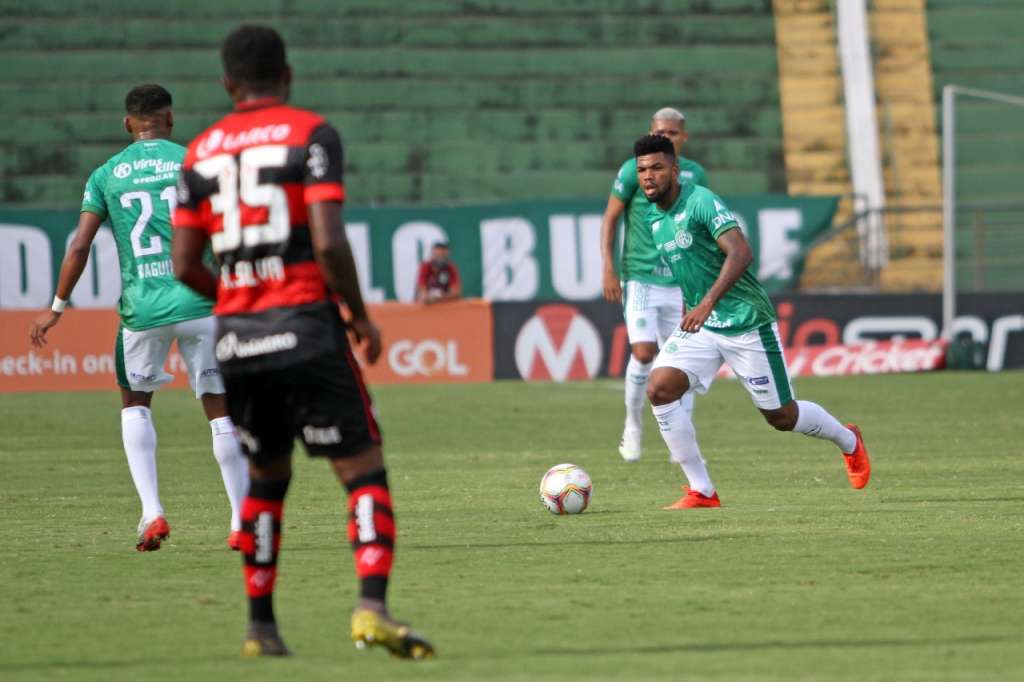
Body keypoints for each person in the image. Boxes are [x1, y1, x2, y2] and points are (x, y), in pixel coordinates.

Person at [171, 25, 434, 660]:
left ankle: (260, 628)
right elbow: (329, 240)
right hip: (307, 328)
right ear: (287, 75)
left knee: (265, 480)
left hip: (237, 342)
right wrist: (359, 316)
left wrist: (237, 296)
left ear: (227, 84)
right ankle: (371, 607)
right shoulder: (311, 134)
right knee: (361, 469)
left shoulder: (198, 152)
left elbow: (183, 264)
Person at [29, 84, 249, 552]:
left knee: (135, 403)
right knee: (221, 410)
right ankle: (240, 521)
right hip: (202, 304)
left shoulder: (106, 174)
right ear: (170, 118)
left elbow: (80, 246)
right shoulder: (195, 162)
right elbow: (227, 231)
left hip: (143, 310)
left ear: (127, 123)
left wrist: (56, 308)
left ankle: (152, 513)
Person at [632, 134, 871, 509]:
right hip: (702, 326)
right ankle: (702, 491)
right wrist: (692, 306)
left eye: (657, 168)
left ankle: (848, 440)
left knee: (781, 416)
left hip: (746, 320)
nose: (649, 176)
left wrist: (707, 302)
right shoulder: (652, 217)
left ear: (675, 171)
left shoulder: (700, 201)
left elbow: (741, 252)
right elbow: (691, 266)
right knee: (659, 390)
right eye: (642, 170)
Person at [600, 107, 708, 463]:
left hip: (680, 281)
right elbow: (611, 217)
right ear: (652, 131)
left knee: (681, 363)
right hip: (641, 277)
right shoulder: (635, 169)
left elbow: (700, 223)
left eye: (672, 133)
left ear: (683, 137)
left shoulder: (694, 174)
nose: (666, 137)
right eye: (660, 132)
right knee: (644, 353)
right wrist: (608, 268)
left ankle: (683, 441)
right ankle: (632, 425)